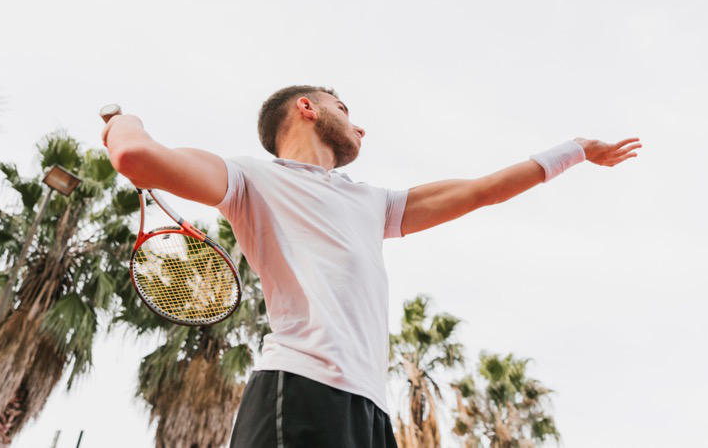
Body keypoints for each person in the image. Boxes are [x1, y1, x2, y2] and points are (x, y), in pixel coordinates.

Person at [102, 84, 641, 448]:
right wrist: (123, 122)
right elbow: (136, 158)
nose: (360, 128)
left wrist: (574, 149)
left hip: (369, 412)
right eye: (345, 109)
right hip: (300, 385)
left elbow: (483, 191)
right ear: (308, 108)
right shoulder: (249, 177)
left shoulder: (372, 203)